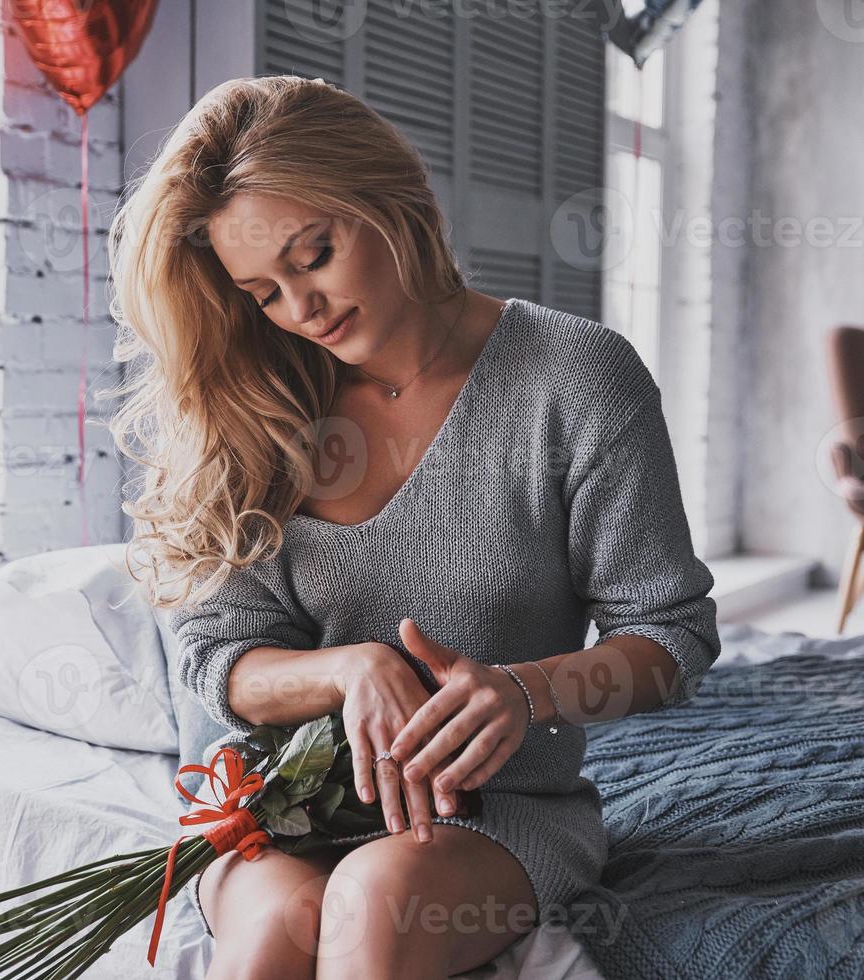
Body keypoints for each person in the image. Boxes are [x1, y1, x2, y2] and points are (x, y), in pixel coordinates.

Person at [103, 75, 720, 979]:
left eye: (313, 255)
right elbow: (217, 660)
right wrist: (351, 669)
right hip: (278, 800)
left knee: (374, 904)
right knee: (283, 923)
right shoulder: (259, 404)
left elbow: (670, 636)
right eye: (263, 292)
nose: (300, 309)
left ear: (388, 196)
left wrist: (526, 691)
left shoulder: (576, 379)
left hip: (493, 810)